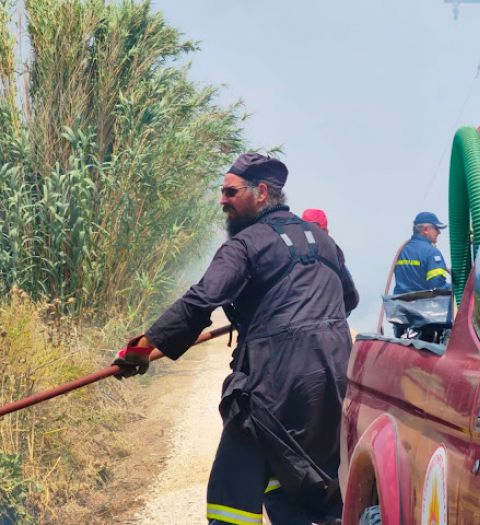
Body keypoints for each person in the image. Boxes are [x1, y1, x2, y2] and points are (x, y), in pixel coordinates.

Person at [113, 152, 359, 525]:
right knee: (303, 486)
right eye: (222, 191)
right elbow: (349, 299)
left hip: (274, 384)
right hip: (331, 386)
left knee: (230, 496)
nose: (222, 201)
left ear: (261, 192)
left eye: (230, 192)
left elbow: (200, 302)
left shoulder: (246, 245)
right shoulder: (323, 242)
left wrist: (142, 349)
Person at [393, 211, 450, 295]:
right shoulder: (432, 252)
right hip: (425, 305)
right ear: (426, 230)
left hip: (400, 305)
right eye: (436, 228)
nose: (439, 232)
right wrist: (457, 287)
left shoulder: (402, 251)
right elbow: (437, 285)